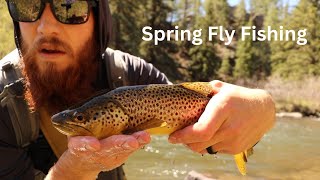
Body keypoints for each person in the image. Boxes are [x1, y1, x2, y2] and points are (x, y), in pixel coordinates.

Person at [0, 0, 275, 179]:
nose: (46, 27)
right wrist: (74, 171)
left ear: (100, 20)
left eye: (70, 7)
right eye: (27, 5)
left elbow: (209, 111)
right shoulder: (2, 102)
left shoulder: (128, 74)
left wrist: (262, 109)